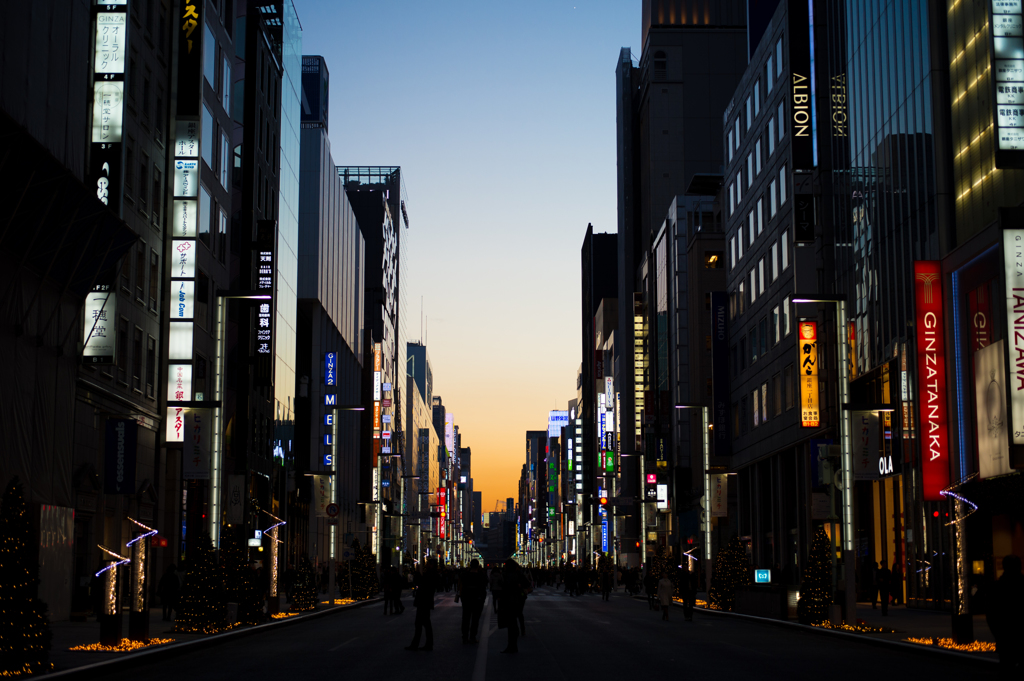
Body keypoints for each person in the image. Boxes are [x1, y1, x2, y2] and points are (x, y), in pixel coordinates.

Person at [986, 554, 1024, 674]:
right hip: (1019, 635)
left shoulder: (997, 587)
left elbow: (991, 615)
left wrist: (998, 634)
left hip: (1005, 637)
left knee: (1007, 666)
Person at [497, 560, 531, 654]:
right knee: (513, 622)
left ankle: (512, 645)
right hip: (517, 600)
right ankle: (513, 645)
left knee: (511, 623)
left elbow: (502, 587)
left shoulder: (506, 575)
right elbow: (527, 584)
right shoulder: (518, 574)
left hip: (509, 601)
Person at [405, 558, 438, 652]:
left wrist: (418, 572)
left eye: (428, 564)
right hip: (425, 601)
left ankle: (422, 644)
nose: (426, 565)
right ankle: (423, 644)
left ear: (431, 565)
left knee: (422, 623)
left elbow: (421, 583)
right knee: (423, 623)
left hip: (424, 601)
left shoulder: (430, 574)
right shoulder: (432, 573)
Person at [459, 559, 488, 643]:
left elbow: (462, 585)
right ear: (478, 566)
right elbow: (484, 586)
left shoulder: (465, 575)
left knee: (466, 618)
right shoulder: (481, 575)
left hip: (467, 599)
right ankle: (472, 636)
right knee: (475, 619)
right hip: (477, 599)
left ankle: (465, 636)